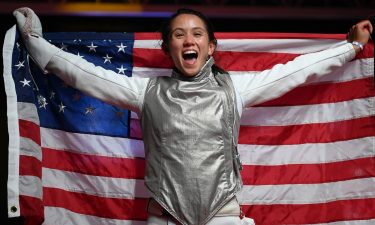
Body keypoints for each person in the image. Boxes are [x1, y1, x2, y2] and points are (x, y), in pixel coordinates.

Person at [13, 7, 372, 225]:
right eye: (179, 34)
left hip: (224, 215)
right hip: (164, 217)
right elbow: (83, 74)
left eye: (197, 34)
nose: (189, 40)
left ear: (210, 46)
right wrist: (36, 43)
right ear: (168, 47)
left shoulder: (237, 88)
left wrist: (351, 46)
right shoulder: (145, 92)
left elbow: (297, 70)